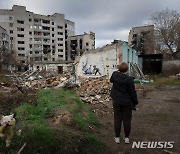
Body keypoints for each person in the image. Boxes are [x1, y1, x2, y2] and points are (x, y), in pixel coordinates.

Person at [110, 62, 138, 144]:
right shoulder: (129, 80)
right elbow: (132, 92)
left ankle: (117, 138)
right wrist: (135, 102)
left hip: (116, 101)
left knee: (117, 119)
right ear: (127, 70)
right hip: (127, 103)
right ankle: (126, 138)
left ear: (119, 68)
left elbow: (111, 80)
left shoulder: (114, 75)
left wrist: (117, 71)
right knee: (127, 120)